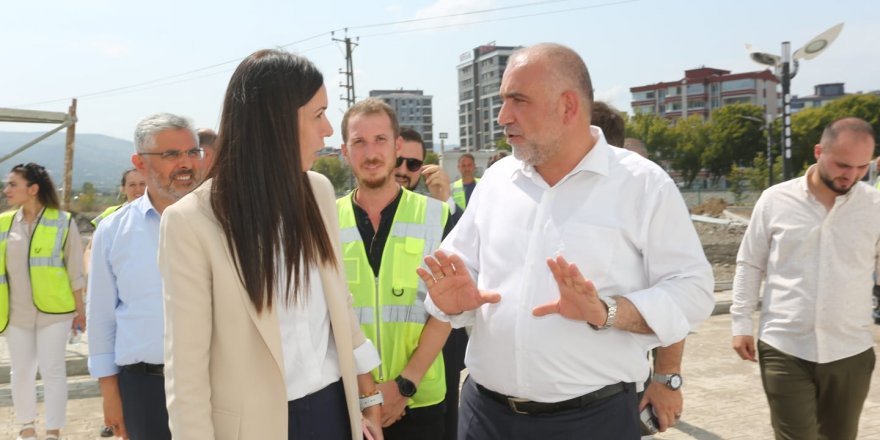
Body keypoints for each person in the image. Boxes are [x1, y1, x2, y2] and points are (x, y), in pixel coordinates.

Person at [418, 43, 714, 439]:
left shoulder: (643, 185)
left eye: (517, 101)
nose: (503, 117)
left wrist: (607, 311)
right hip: (484, 416)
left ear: (568, 107)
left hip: (591, 422)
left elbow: (692, 291)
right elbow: (460, 267)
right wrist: (450, 300)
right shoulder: (497, 181)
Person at [158, 49, 383, 440]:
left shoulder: (319, 192)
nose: (328, 129)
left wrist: (366, 395)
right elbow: (187, 371)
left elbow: (338, 303)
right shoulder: (191, 222)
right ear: (276, 121)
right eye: (318, 114)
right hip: (256, 427)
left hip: (334, 411)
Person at [731, 117, 879, 440]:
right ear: (818, 151)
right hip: (784, 345)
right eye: (842, 164)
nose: (851, 175)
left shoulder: (875, 206)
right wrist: (741, 322)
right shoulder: (774, 200)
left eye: (861, 167)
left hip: (850, 351)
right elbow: (750, 262)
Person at [87, 112, 207, 440]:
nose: (186, 163)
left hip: (217, 384)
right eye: (171, 154)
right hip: (145, 391)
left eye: (192, 152)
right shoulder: (113, 232)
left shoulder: (226, 223)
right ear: (139, 162)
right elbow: (101, 321)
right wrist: (111, 396)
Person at [339, 98, 452, 440]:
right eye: (359, 142)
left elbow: (447, 311)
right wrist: (370, 394)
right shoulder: (323, 221)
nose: (370, 153)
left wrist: (404, 385)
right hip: (352, 404)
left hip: (420, 402)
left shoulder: (440, 217)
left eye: (380, 140)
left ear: (397, 145)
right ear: (345, 151)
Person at [0, 163, 86, 440]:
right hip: (15, 314)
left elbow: (75, 271)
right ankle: (26, 429)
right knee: (21, 371)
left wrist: (80, 311)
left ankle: (52, 431)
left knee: (52, 370)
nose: (6, 190)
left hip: (55, 312)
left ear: (33, 189)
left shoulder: (63, 221)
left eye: (13, 184)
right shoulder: (3, 223)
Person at [395, 126, 467, 440]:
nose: (402, 170)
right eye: (398, 160)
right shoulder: (353, 213)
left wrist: (445, 202)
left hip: (437, 358)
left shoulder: (437, 212)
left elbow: (466, 253)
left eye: (413, 165)